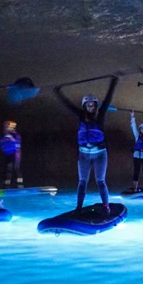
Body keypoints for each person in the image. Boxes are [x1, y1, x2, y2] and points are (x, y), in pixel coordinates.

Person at [55, 75, 119, 215]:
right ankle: (78, 208)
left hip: (100, 154)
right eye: (88, 105)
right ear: (84, 106)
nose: (91, 107)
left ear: (96, 106)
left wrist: (114, 81)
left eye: (93, 105)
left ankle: (106, 207)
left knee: (100, 181)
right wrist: (58, 92)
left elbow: (108, 99)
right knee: (82, 181)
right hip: (83, 154)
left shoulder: (100, 115)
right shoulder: (80, 115)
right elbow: (67, 105)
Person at [0, 120, 23, 188]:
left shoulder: (16, 135)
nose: (6, 128)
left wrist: (10, 137)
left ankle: (20, 184)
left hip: (15, 154)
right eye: (5, 126)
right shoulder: (4, 136)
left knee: (16, 168)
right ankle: (6, 185)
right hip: (7, 154)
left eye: (7, 126)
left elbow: (17, 143)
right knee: (7, 168)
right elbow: (0, 144)